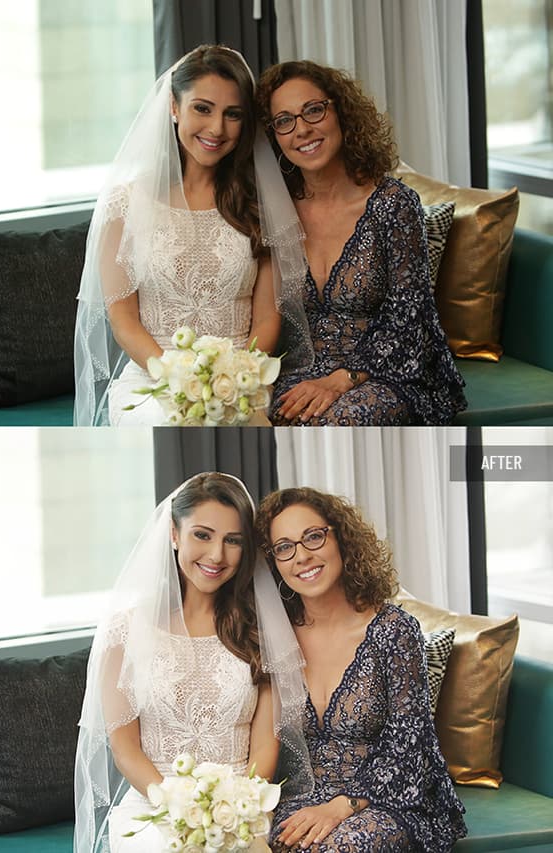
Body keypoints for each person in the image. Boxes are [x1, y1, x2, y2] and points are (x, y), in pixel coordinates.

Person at [74, 46, 311, 426]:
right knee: (169, 423)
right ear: (173, 107)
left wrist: (233, 378)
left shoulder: (258, 205)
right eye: (203, 108)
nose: (217, 128)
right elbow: (124, 320)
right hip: (151, 378)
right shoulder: (125, 204)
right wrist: (177, 382)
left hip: (239, 381)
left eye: (232, 114)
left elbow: (267, 320)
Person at [73, 473, 311, 853]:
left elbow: (265, 750)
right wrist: (179, 810)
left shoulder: (258, 632)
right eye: (202, 535)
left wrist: (231, 809)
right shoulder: (126, 631)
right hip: (153, 806)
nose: (217, 555)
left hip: (241, 808)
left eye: (232, 541)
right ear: (173, 533)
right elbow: (125, 749)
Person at [255, 486, 467, 852]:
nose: (302, 556)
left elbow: (409, 741)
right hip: (302, 798)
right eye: (285, 547)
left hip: (391, 797)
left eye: (313, 537)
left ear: (341, 539)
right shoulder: (273, 636)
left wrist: (342, 807)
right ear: (272, 560)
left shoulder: (393, 630)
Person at [256, 61, 467, 426]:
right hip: (301, 371)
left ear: (341, 111)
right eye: (284, 120)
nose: (302, 129)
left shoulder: (393, 203)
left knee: (339, 421)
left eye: (313, 110)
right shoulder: (272, 211)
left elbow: (408, 314)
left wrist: (342, 380)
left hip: (390, 371)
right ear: (273, 135)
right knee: (264, 418)